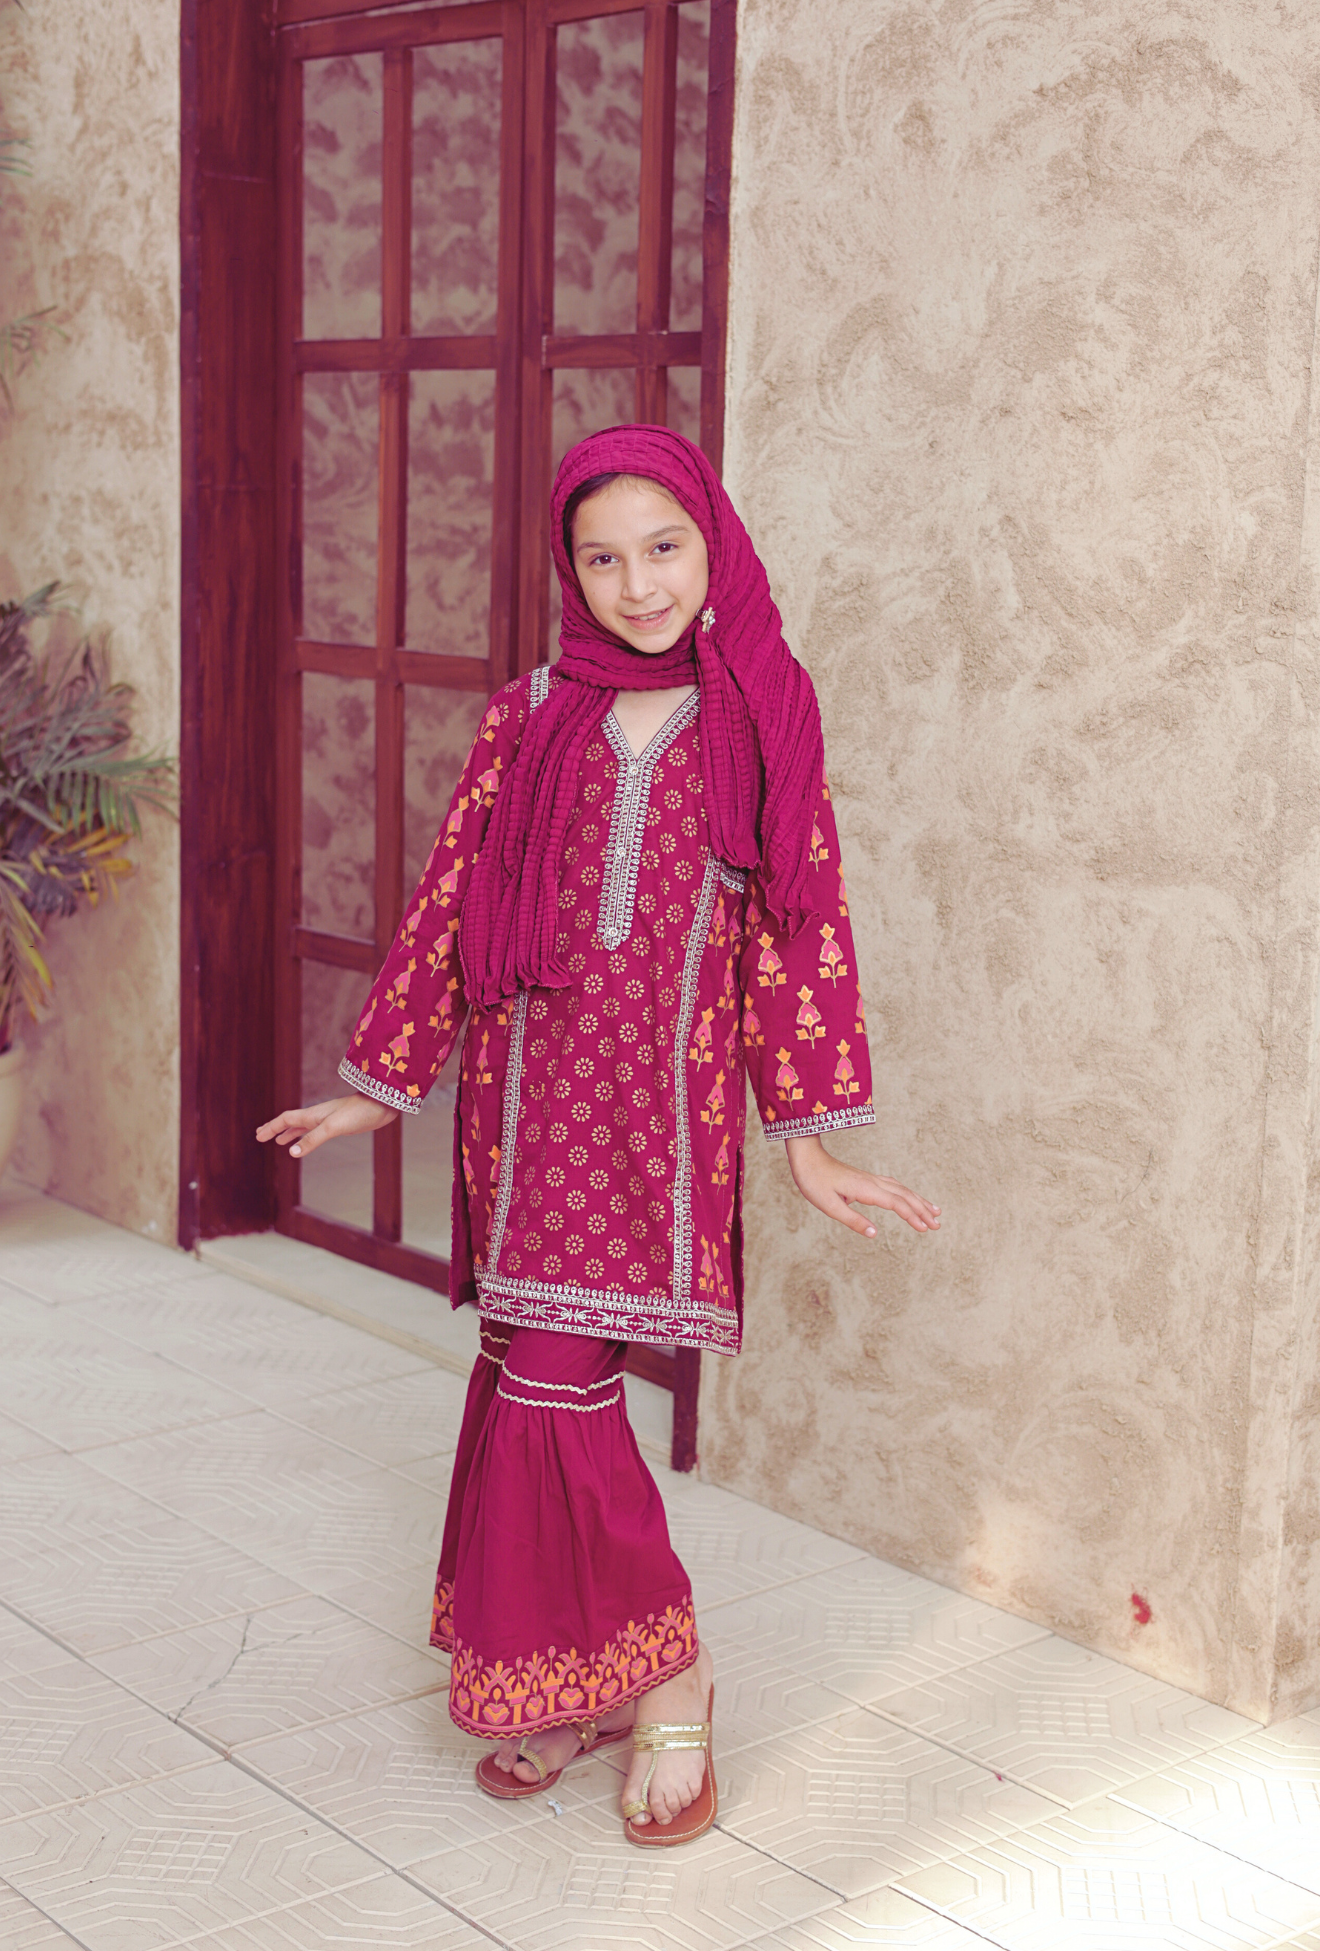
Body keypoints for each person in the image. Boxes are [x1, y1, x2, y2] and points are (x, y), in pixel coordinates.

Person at [258, 424, 939, 1845]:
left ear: (712, 544)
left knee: (557, 1398)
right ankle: (575, 1680)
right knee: (526, 1387)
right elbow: (453, 902)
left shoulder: (760, 709)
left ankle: (669, 1668)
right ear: (569, 571)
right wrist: (382, 1081)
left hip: (658, 1128)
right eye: (605, 558)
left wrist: (808, 1136)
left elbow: (798, 925)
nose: (640, 586)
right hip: (525, 1118)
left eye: (664, 548)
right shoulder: (530, 715)